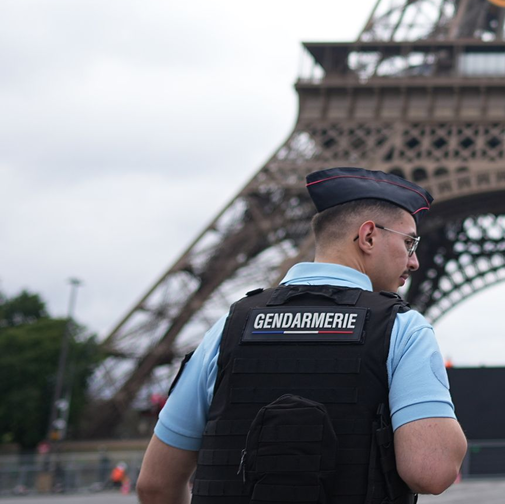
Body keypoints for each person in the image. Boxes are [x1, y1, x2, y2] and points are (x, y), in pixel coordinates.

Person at [137, 167, 467, 504]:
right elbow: (431, 470)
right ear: (368, 236)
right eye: (409, 243)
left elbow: (155, 485)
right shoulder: (403, 329)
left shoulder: (228, 328)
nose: (414, 262)